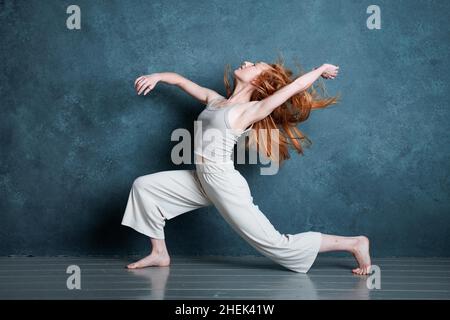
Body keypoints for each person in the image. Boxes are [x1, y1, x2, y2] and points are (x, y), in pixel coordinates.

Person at [122, 58, 371, 275]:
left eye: (254, 66)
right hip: (202, 178)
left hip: (223, 182)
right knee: (145, 187)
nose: (246, 62)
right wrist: (158, 77)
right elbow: (181, 81)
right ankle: (159, 253)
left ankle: (354, 243)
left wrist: (320, 70)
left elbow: (293, 87)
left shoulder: (251, 110)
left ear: (259, 81)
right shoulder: (216, 100)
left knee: (276, 244)